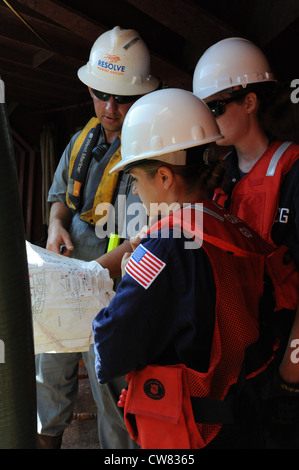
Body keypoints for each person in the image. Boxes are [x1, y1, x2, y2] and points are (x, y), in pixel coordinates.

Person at [92, 88, 289, 449]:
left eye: (136, 180)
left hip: (193, 430)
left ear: (165, 178)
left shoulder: (164, 244)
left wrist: (104, 295)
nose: (135, 193)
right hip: (240, 414)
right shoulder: (224, 220)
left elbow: (114, 340)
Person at [35, 26, 159, 449]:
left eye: (122, 98)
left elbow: (149, 237)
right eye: (101, 94)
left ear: (141, 96)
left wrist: (91, 273)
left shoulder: (152, 152)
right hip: (67, 282)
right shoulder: (79, 142)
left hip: (115, 294)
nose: (109, 108)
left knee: (112, 394)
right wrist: (55, 227)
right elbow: (58, 199)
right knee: (48, 373)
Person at [192, 37, 299, 448]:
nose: (209, 119)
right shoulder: (218, 178)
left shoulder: (293, 175)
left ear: (250, 102)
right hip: (236, 360)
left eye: (216, 108)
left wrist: (292, 372)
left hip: (279, 359)